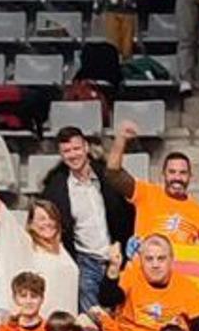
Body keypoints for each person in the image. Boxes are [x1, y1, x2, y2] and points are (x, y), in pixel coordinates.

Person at [37, 127, 134, 311]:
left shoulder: (107, 177)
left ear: (86, 148)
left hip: (117, 256)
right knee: (92, 318)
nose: (73, 155)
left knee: (122, 314)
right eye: (67, 151)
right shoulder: (55, 189)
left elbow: (128, 211)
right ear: (61, 154)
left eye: (76, 148)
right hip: (85, 262)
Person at [107, 130, 199, 248]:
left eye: (183, 173)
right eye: (172, 172)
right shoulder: (146, 193)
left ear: (190, 176)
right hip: (144, 259)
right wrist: (121, 139)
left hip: (179, 260)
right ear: (163, 174)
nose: (177, 178)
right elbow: (114, 174)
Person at [0, 195, 78, 320]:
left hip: (66, 323)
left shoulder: (62, 249)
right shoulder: (27, 245)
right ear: (31, 224)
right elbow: (6, 220)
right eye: (42, 219)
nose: (48, 222)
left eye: (52, 218)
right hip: (42, 323)